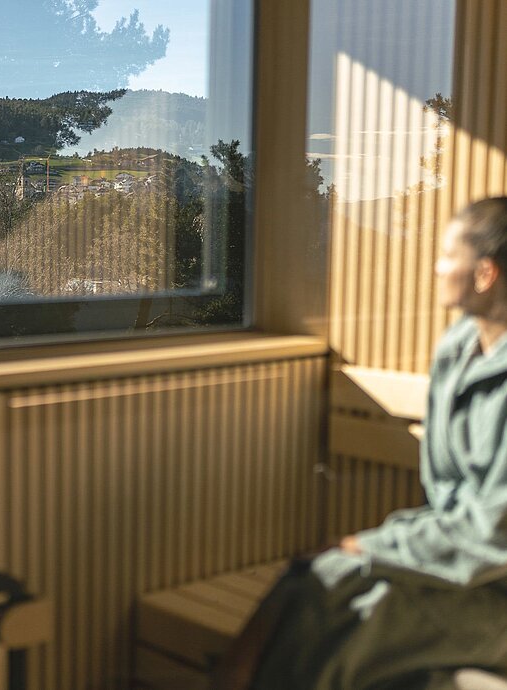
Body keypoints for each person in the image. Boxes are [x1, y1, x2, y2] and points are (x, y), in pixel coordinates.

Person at [217, 197, 507, 690]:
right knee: (313, 579)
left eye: (446, 255)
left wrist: (371, 545)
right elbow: (448, 500)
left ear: (484, 274)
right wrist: (371, 547)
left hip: (494, 590)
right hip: (457, 567)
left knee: (346, 621)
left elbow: (492, 530)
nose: (436, 268)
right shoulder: (457, 349)